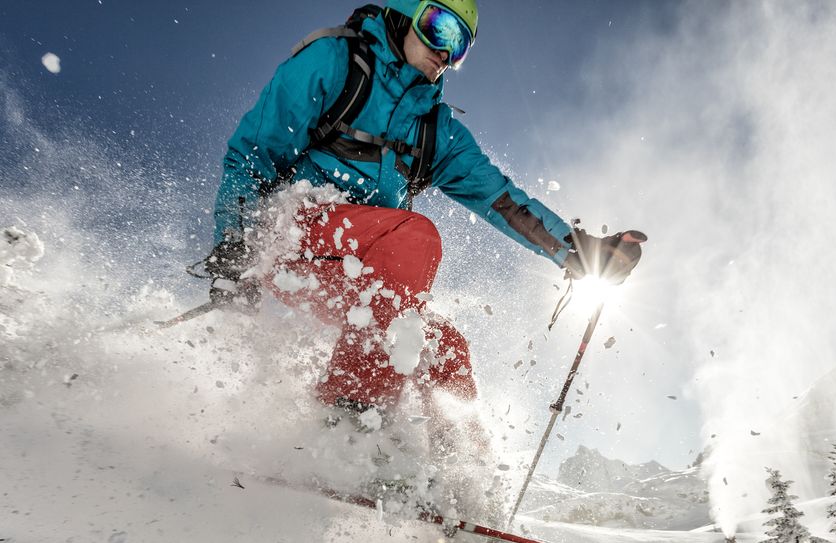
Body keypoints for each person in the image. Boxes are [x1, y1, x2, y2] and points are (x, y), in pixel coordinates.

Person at [206, 0, 645, 428]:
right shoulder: (334, 61)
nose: (444, 52)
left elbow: (502, 201)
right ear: (405, 12)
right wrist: (232, 245)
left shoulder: (435, 129)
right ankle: (348, 418)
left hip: (364, 267)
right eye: (440, 27)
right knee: (414, 237)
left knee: (446, 349)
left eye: (460, 47)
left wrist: (578, 252)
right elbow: (252, 156)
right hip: (292, 234)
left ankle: (455, 477)